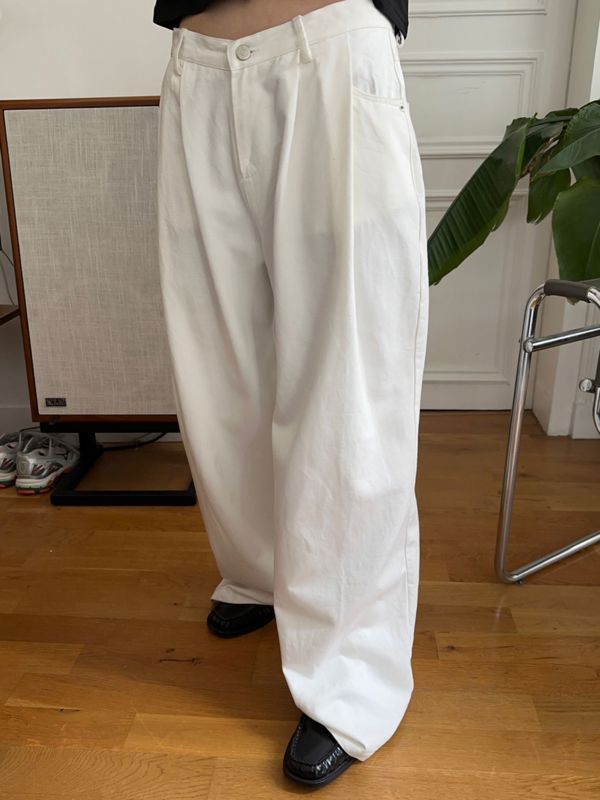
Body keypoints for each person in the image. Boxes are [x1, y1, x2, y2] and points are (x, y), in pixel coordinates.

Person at [154, 0, 428, 788]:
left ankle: (351, 682)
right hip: (199, 65)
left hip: (332, 54)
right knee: (217, 372)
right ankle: (260, 572)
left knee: (349, 387)